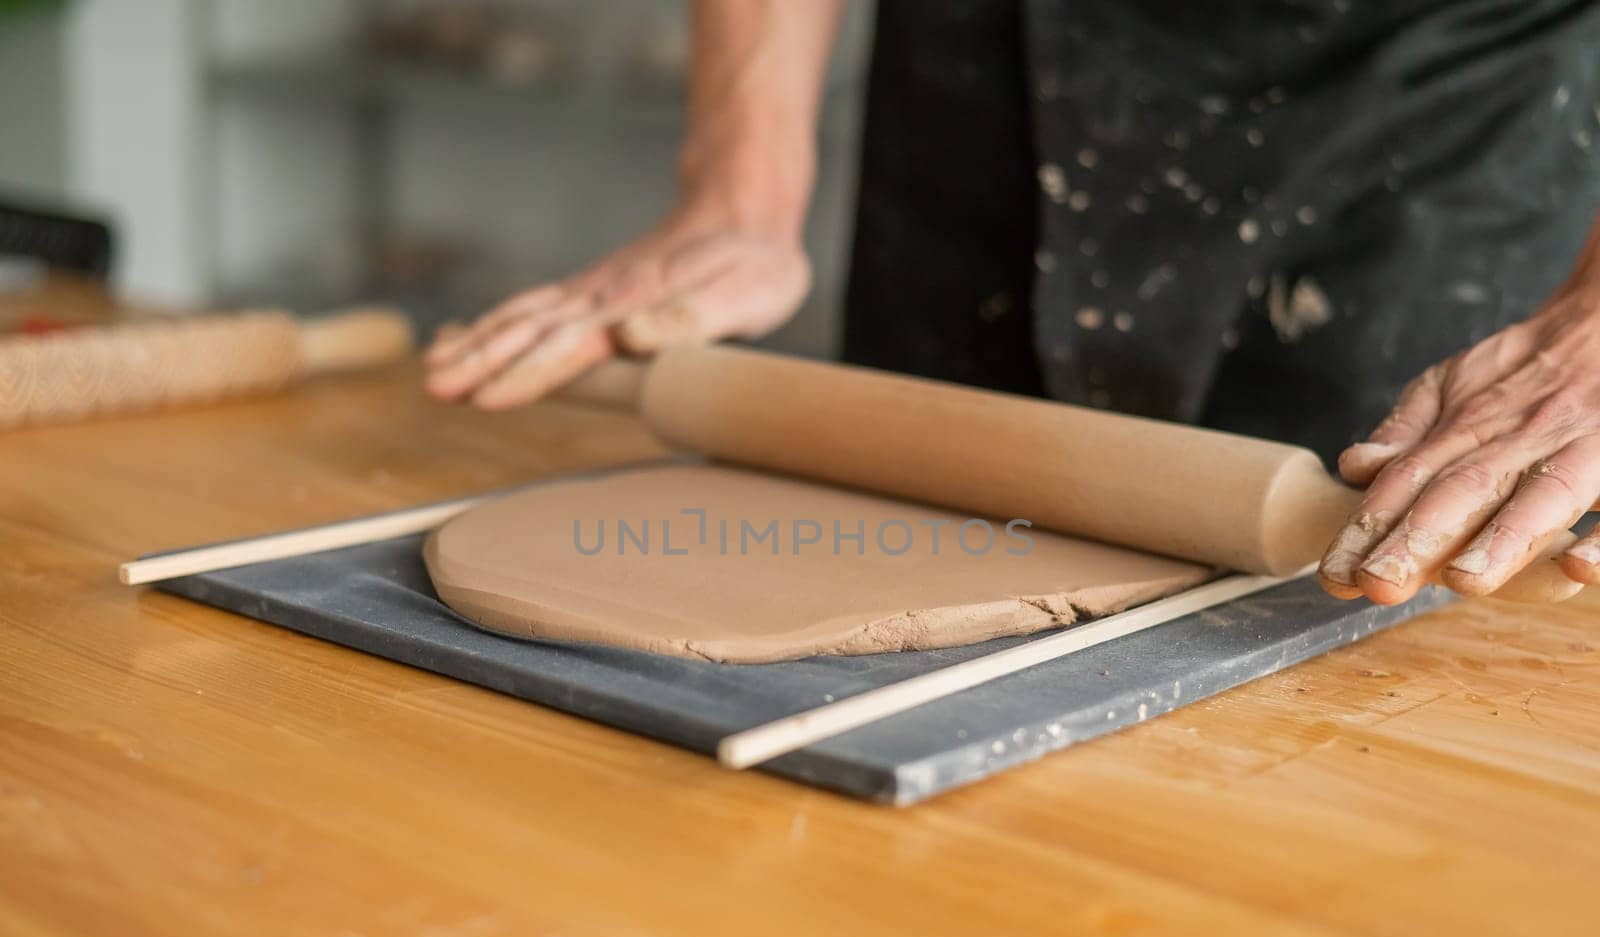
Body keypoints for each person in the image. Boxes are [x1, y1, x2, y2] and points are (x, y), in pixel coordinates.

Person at [424, 0, 1600, 607]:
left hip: (1429, 92)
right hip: (988, 66)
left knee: (1394, 558)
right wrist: (743, 181)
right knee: (890, 545)